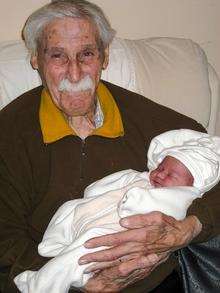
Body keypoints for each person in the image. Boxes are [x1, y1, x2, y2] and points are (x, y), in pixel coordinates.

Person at [0, 0, 220, 292]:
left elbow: (211, 159)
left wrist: (188, 227)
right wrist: (80, 285)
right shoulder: (10, 133)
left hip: (158, 281)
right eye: (57, 56)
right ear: (36, 61)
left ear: (104, 57)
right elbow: (6, 239)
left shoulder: (147, 119)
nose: (74, 74)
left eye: (86, 54)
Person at [13, 129, 220, 293]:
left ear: (190, 185)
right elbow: (110, 183)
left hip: (118, 231)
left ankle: (44, 285)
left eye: (171, 175)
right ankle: (57, 246)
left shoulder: (183, 196)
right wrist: (98, 191)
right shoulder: (145, 177)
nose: (159, 174)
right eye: (160, 167)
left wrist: (134, 198)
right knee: (69, 209)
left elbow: (147, 205)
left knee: (90, 245)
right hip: (93, 212)